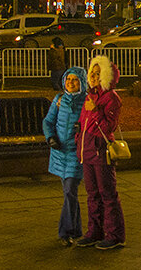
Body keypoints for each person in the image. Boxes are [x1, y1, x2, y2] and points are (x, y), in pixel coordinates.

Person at [77, 54, 125, 250]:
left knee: (107, 194)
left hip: (101, 150)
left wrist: (95, 110)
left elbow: (108, 128)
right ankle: (94, 231)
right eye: (92, 73)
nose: (95, 77)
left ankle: (114, 234)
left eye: (99, 74)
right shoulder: (91, 95)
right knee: (92, 194)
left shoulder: (111, 98)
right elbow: (83, 123)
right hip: (87, 149)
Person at [42, 67, 87, 246]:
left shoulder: (87, 101)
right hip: (60, 152)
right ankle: (76, 229)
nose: (70, 83)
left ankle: (65, 232)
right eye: (68, 79)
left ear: (82, 82)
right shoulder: (59, 99)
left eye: (75, 80)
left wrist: (82, 128)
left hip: (76, 153)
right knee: (70, 194)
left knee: (69, 190)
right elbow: (48, 121)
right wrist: (50, 137)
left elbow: (92, 122)